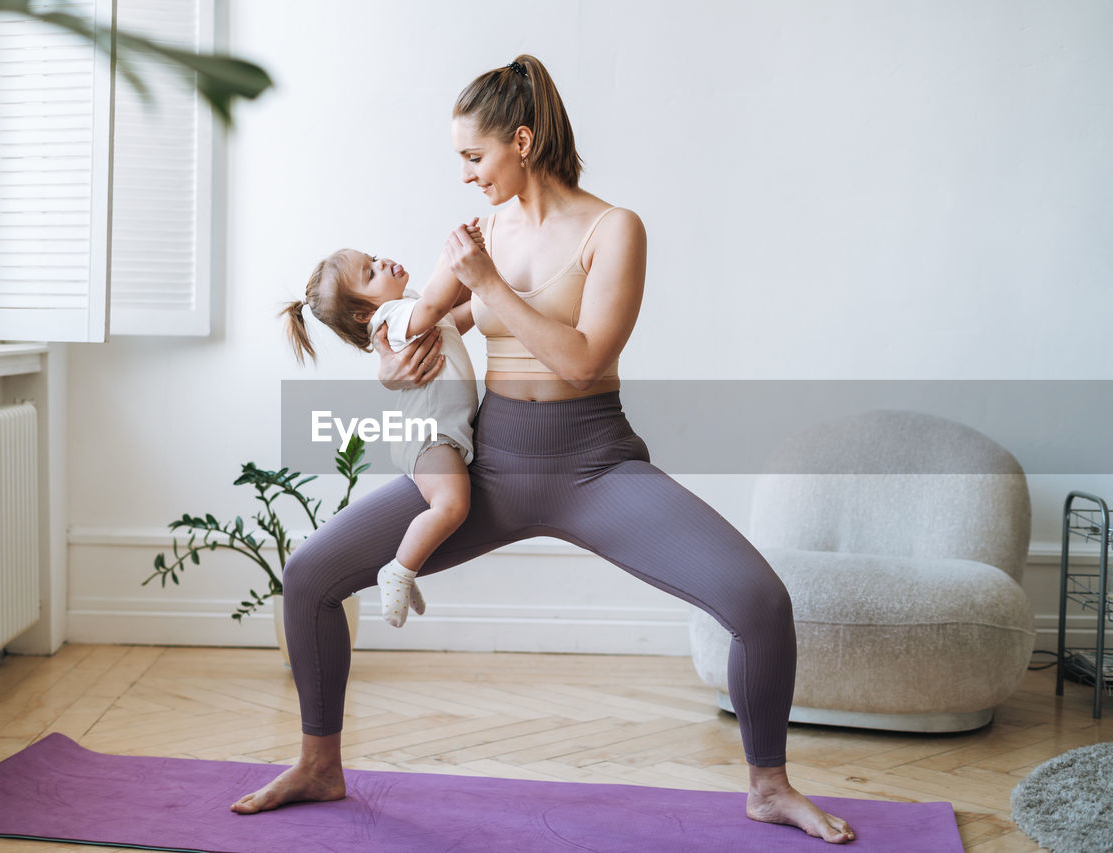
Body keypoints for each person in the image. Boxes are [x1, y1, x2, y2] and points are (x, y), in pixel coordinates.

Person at [236, 54, 856, 845]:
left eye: (474, 156)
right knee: (311, 575)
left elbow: (584, 358)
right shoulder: (480, 234)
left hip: (596, 467)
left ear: (521, 141)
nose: (465, 175)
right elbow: (423, 328)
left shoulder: (612, 229)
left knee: (760, 603)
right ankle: (319, 764)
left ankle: (768, 786)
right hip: (490, 465)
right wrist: (396, 363)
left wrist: (487, 285)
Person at [278, 228, 485, 627]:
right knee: (453, 506)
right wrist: (456, 252)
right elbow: (436, 303)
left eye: (372, 258)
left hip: (434, 434)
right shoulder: (393, 317)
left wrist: (488, 291)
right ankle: (400, 570)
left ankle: (406, 564)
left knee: (448, 507)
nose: (383, 263)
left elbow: (455, 318)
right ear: (364, 314)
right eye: (370, 274)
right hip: (429, 437)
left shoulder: (404, 309)